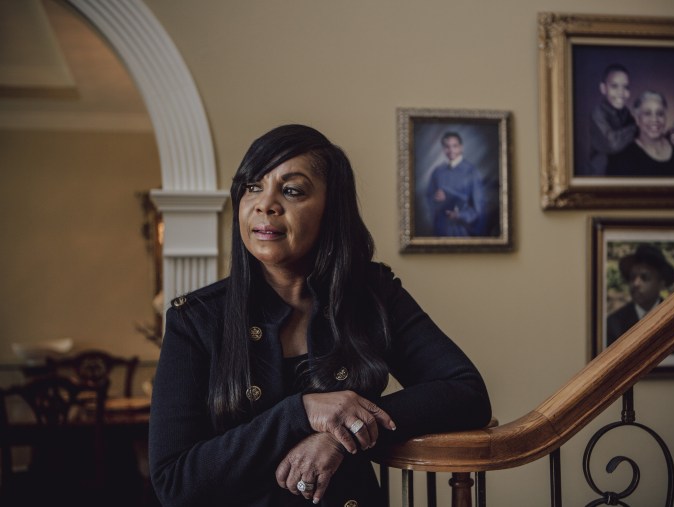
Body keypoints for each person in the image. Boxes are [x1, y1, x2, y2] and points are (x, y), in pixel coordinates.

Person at [148, 124, 492, 507]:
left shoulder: (372, 293)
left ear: (332, 207)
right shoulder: (194, 320)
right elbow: (173, 482)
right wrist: (302, 412)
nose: (265, 204)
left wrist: (339, 434)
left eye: (291, 190)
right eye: (252, 186)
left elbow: (466, 392)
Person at [606, 244, 674, 354]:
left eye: (645, 277)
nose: (636, 283)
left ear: (661, 284)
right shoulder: (615, 323)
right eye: (632, 277)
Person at [607, 91, 674, 177]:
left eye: (660, 114)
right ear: (637, 119)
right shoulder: (622, 158)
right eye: (647, 113)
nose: (654, 119)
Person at [426, 131, 487, 236]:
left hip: (460, 229)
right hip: (440, 229)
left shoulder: (471, 172)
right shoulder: (438, 172)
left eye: (454, 146)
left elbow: (478, 209)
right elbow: (429, 198)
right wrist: (436, 200)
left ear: (461, 148)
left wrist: (459, 215)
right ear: (443, 149)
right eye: (447, 146)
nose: (451, 150)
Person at [584, 64, 638, 176]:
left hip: (622, 170)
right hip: (602, 174)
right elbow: (612, 143)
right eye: (614, 86)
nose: (621, 93)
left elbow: (640, 136)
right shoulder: (598, 113)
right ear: (603, 88)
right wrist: (635, 128)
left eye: (626, 87)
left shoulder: (625, 112)